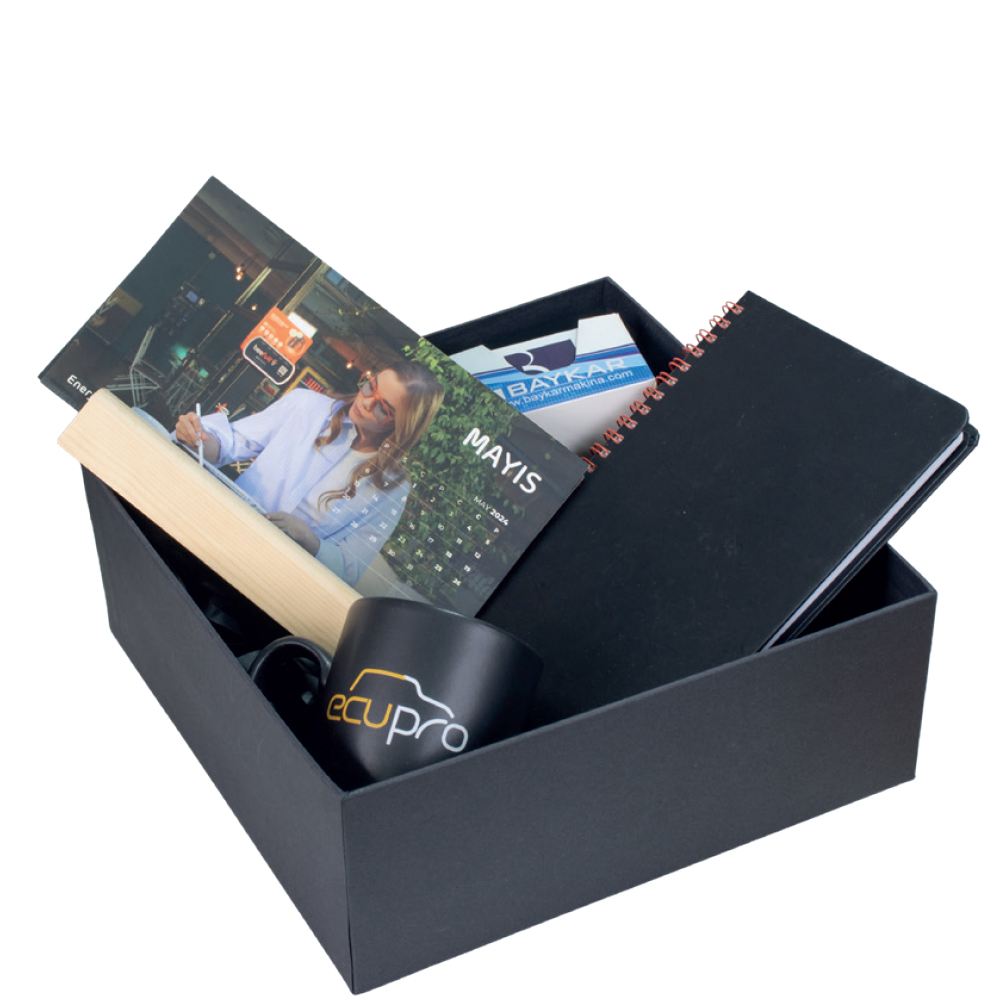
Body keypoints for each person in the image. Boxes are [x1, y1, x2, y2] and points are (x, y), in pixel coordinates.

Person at [175, 360, 445, 586]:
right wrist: (199, 437)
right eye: (369, 386)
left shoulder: (392, 486)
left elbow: (350, 569)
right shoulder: (306, 405)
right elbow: (232, 443)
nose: (365, 402)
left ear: (400, 426)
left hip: (268, 581)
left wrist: (309, 540)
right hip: (214, 530)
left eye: (382, 408)